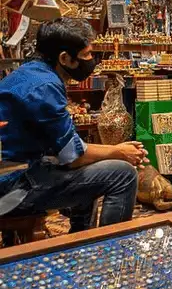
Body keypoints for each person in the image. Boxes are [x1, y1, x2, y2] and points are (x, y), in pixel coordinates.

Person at [0, 18, 146, 234]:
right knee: (122, 174)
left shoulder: (29, 73)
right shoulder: (45, 87)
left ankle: (80, 238)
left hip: (18, 174)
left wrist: (117, 151)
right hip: (12, 189)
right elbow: (72, 156)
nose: (91, 60)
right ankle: (109, 248)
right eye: (86, 55)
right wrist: (118, 151)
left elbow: (66, 148)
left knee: (93, 168)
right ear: (65, 58)